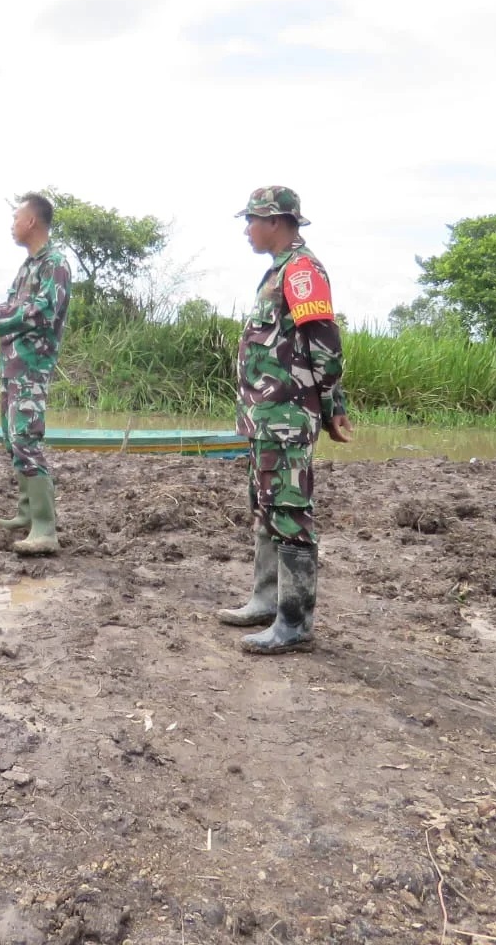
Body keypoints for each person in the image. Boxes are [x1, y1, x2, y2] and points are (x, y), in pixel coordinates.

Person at [219, 185, 353, 655]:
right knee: (266, 505)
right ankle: (265, 600)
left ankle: (293, 622)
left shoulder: (301, 271)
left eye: (252, 220)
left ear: (275, 220)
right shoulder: (276, 273)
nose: (247, 229)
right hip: (265, 416)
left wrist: (334, 407)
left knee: (290, 511)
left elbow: (325, 347)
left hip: (288, 413)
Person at [0, 193, 72, 556]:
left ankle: (45, 529)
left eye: (16, 217)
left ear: (31, 222)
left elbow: (41, 312)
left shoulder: (55, 263)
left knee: (26, 438)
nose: (12, 224)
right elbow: (12, 309)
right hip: (13, 364)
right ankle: (26, 514)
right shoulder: (27, 266)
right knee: (11, 437)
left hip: (33, 366)